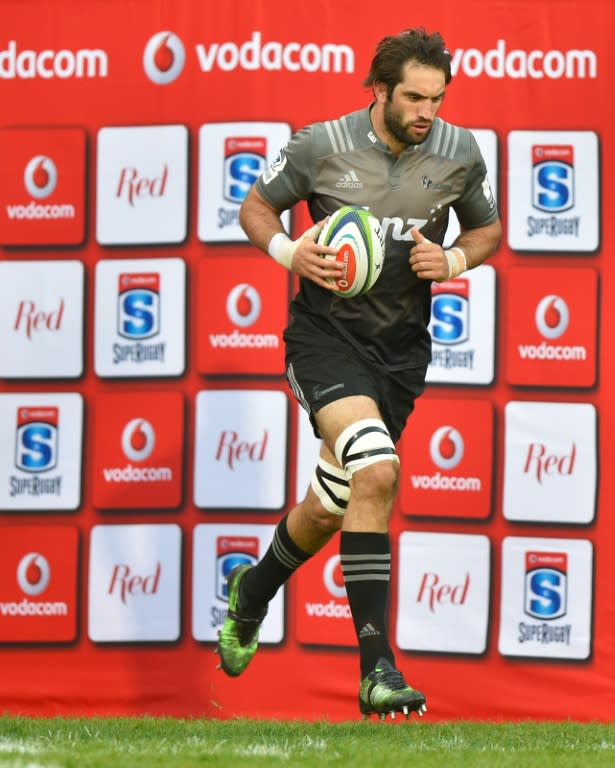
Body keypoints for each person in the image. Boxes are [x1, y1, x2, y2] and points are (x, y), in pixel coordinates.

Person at [216, 27, 501, 720]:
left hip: (400, 351)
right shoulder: (321, 144)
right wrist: (290, 252)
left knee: (331, 504)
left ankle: (252, 593)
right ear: (378, 89)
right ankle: (377, 669)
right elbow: (255, 207)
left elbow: (485, 230)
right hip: (323, 339)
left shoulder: (459, 152)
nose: (425, 111)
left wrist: (456, 261)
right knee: (377, 471)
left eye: (435, 98)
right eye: (412, 96)